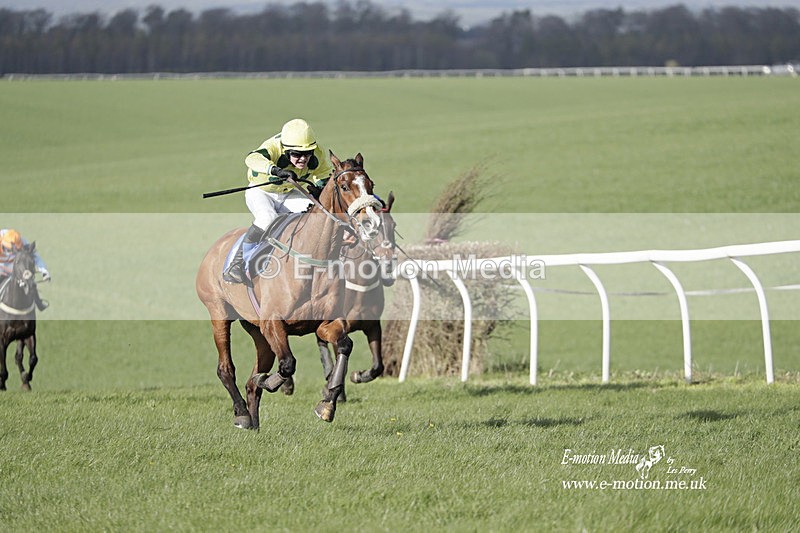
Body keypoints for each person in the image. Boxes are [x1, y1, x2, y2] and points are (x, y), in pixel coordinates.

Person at [224, 118, 333, 284]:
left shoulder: (317, 153)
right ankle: (236, 263)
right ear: (286, 150)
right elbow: (251, 158)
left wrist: (319, 187)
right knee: (267, 218)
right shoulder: (273, 146)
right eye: (297, 154)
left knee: (315, 213)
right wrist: (275, 170)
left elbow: (324, 173)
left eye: (307, 154)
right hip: (261, 192)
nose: (303, 159)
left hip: (288, 193)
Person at [0, 228, 50, 310]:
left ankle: (38, 301)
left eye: (13, 250)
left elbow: (36, 257)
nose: (10, 253)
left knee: (27, 277)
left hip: (14, 264)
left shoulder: (23, 242)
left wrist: (44, 271)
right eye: (7, 250)